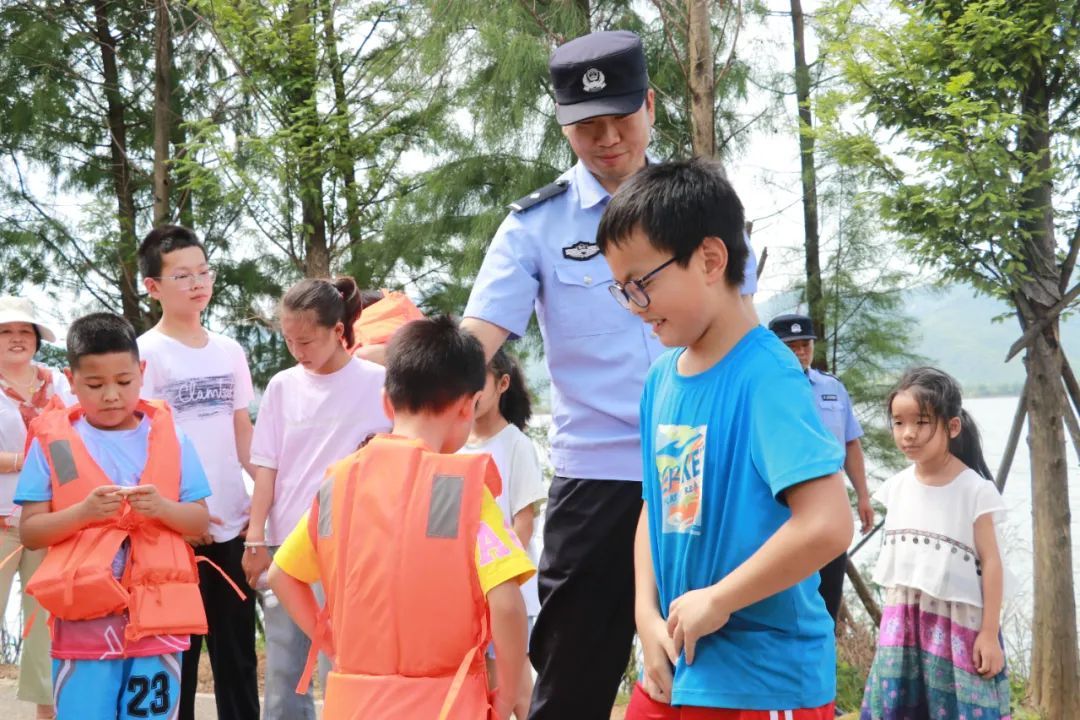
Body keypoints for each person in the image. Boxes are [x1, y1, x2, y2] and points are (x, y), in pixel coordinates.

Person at [461, 30, 758, 718]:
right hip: (597, 478)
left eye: (621, 118)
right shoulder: (533, 226)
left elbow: (743, 325)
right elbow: (478, 338)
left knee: (709, 668)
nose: (608, 139)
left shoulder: (700, 204)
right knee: (571, 677)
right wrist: (413, 399)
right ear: (563, 126)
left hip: (702, 468)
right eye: (586, 127)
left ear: (651, 106)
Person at [597, 158, 852, 719]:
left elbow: (828, 523)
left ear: (710, 259)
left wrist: (719, 599)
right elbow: (656, 505)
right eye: (621, 291)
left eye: (641, 284)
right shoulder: (661, 380)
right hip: (674, 664)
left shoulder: (768, 378)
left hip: (764, 679)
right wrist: (645, 612)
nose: (635, 307)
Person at [267, 315, 534, 720]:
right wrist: (510, 690)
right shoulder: (460, 490)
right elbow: (507, 603)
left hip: (353, 704)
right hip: (445, 704)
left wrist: (332, 643)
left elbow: (281, 576)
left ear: (386, 403)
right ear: (468, 406)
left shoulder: (339, 485)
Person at [15, 312, 211, 720]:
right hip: (84, 622)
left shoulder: (171, 437)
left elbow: (198, 522)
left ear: (141, 372)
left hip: (158, 621)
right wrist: (83, 513)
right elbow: (31, 532)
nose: (111, 395)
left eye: (124, 382)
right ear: (71, 379)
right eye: (94, 384)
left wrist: (161, 508)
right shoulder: (60, 446)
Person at [242, 276, 391, 720]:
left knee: (343, 668)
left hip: (356, 547)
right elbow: (266, 466)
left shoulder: (379, 383)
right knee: (285, 675)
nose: (296, 351)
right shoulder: (283, 386)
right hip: (288, 546)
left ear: (338, 332)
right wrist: (255, 540)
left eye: (305, 340)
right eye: (288, 340)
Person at [136, 224, 260, 720]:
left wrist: (262, 506)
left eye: (203, 271)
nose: (197, 283)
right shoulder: (145, 354)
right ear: (153, 286)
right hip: (177, 530)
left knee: (237, 660)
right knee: (176, 660)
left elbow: (243, 434)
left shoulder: (229, 350)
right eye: (182, 275)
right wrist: (183, 516)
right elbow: (148, 446)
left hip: (234, 522)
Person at [860, 367, 1010, 720]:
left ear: (952, 427)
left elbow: (991, 563)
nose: (908, 434)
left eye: (922, 422)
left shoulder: (974, 490)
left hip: (958, 629)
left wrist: (988, 635)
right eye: (899, 422)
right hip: (903, 626)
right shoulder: (896, 487)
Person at [459, 348, 547, 719]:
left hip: (508, 594)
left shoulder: (516, 445)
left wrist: (493, 579)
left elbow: (522, 523)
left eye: (480, 381)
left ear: (502, 384)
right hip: (466, 595)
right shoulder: (454, 444)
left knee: (518, 693)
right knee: (486, 692)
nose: (472, 392)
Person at [768, 313, 875, 622]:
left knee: (828, 593)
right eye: (792, 346)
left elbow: (851, 442)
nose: (801, 352)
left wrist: (864, 497)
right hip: (784, 507)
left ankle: (825, 662)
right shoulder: (765, 392)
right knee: (786, 595)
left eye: (806, 345)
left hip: (831, 504)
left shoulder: (832, 388)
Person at [0, 296, 70, 720]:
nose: (16, 339)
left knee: (47, 626)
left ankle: (49, 715)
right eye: (6, 331)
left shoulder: (58, 384)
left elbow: (68, 442)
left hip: (46, 520)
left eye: (24, 331)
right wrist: (21, 461)